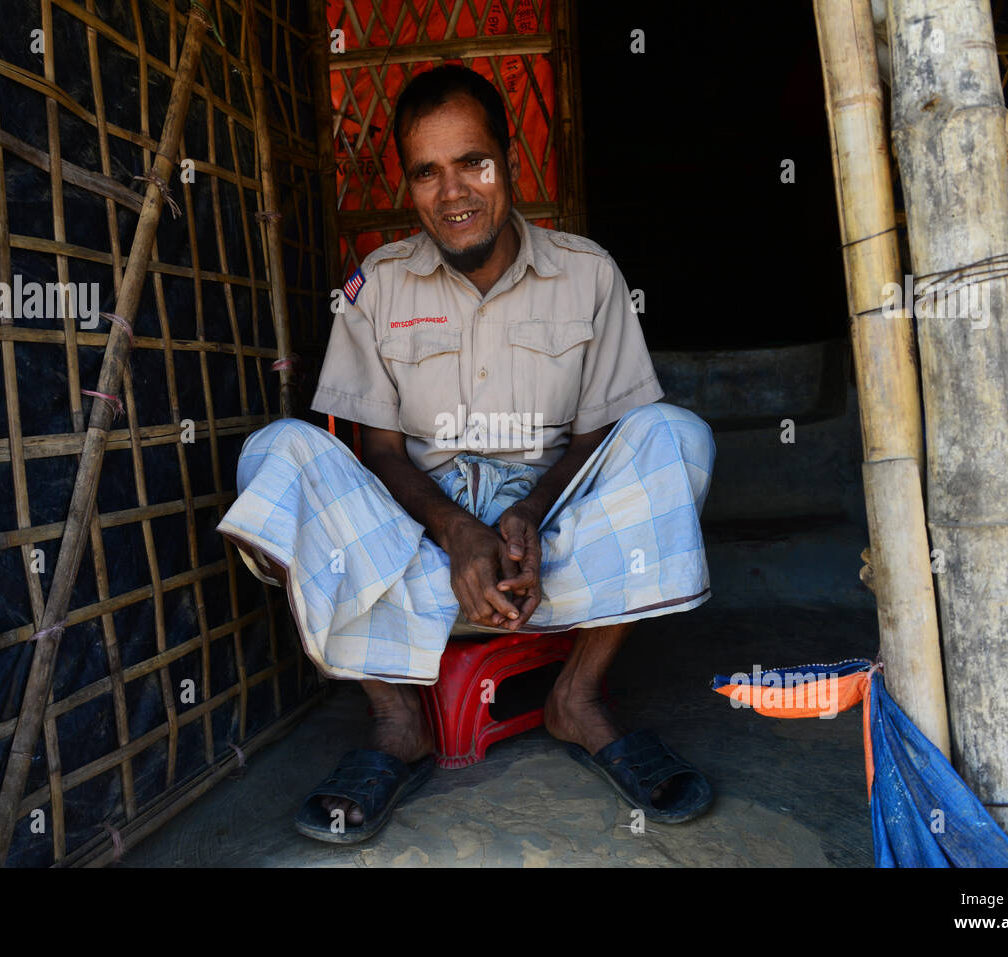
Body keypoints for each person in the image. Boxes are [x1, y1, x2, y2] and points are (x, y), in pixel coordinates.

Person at [218, 64, 717, 845]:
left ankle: (577, 696)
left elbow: (599, 434)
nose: (454, 193)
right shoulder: (377, 287)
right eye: (428, 172)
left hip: (551, 545)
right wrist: (455, 532)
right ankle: (395, 720)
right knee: (275, 453)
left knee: (676, 435)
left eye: (473, 163)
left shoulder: (587, 274)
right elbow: (377, 448)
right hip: (418, 548)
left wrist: (526, 512)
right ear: (409, 185)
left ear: (509, 159)